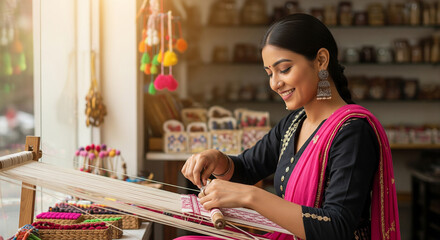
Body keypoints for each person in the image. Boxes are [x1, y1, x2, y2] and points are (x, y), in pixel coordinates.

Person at [180, 13, 401, 240]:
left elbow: (337, 226)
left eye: (284, 69)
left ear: (321, 61)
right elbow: (246, 168)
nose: (275, 83)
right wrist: (216, 159)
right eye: (269, 73)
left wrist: (252, 197)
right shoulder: (294, 123)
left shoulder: (353, 132)